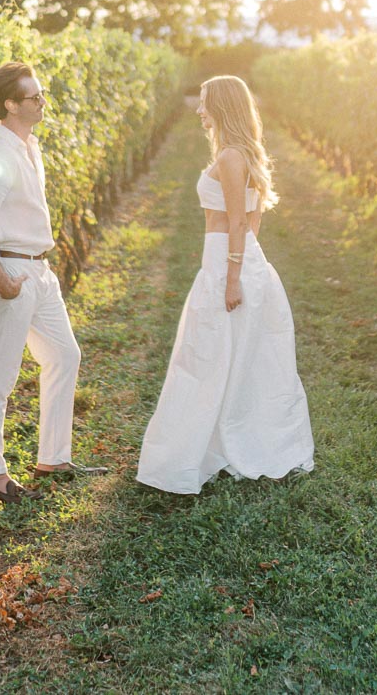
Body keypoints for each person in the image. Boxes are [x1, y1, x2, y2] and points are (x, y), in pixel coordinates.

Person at [137, 74, 314, 494]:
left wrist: (233, 278)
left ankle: (201, 451)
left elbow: (238, 220)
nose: (199, 111)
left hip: (227, 264)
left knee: (204, 358)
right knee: (224, 357)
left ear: (223, 107)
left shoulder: (233, 156)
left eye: (204, 103)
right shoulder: (238, 153)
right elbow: (252, 223)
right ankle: (217, 443)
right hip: (235, 258)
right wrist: (244, 262)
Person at [0, 61, 82, 502]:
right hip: (12, 269)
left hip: (41, 269)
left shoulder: (29, 146)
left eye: (41, 94)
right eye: (34, 97)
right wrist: (2, 281)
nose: (42, 102)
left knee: (64, 355)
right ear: (11, 105)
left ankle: (53, 457)